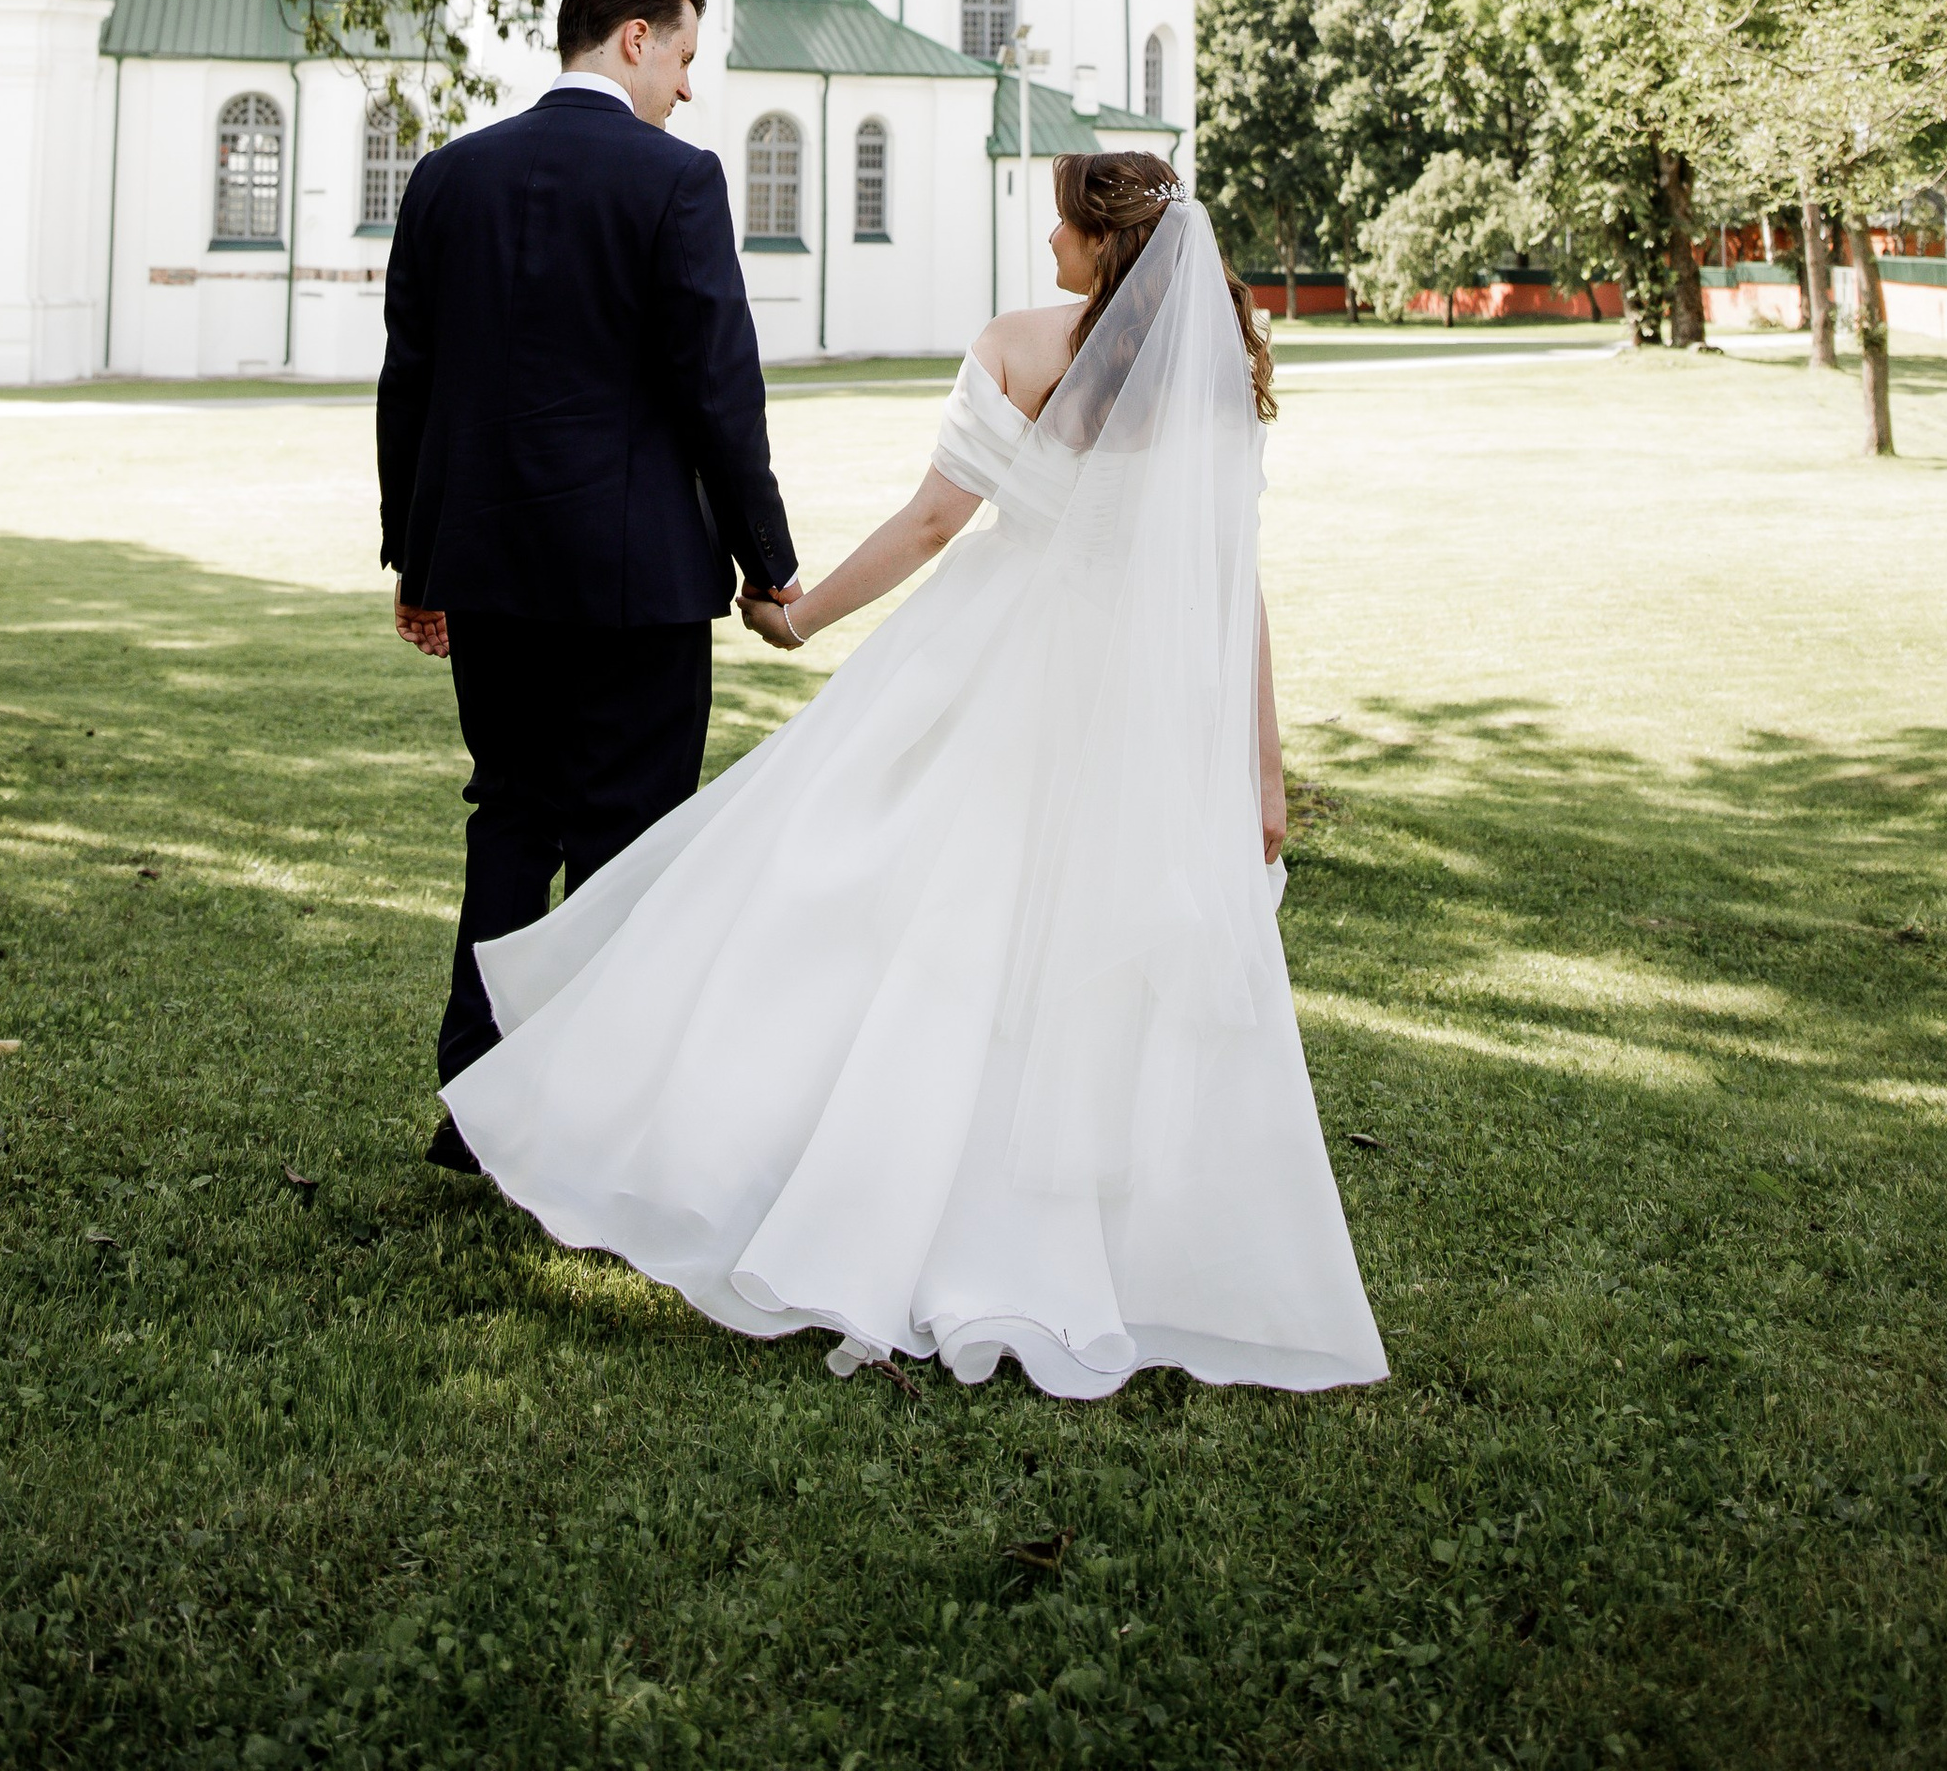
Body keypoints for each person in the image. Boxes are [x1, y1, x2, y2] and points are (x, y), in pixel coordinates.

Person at [447, 149, 1387, 1400]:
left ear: (1101, 241)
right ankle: (1059, 1228)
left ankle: (834, 1177)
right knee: (1071, 941)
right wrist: (1259, 769)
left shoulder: (1017, 344)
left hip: (998, 661)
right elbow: (1234, 585)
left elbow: (935, 522)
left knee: (885, 900)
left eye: (1059, 226)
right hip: (1138, 695)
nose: (1046, 245)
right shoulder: (1212, 371)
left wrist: (800, 615)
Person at [379, 0, 802, 1171]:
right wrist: (766, 561)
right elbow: (720, 391)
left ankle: (477, 1108)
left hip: (487, 573)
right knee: (629, 847)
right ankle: (595, 1124)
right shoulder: (676, 178)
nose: (686, 86)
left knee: (511, 818)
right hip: (636, 584)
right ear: (632, 39)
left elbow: (410, 385)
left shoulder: (447, 177)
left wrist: (417, 561)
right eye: (683, 56)